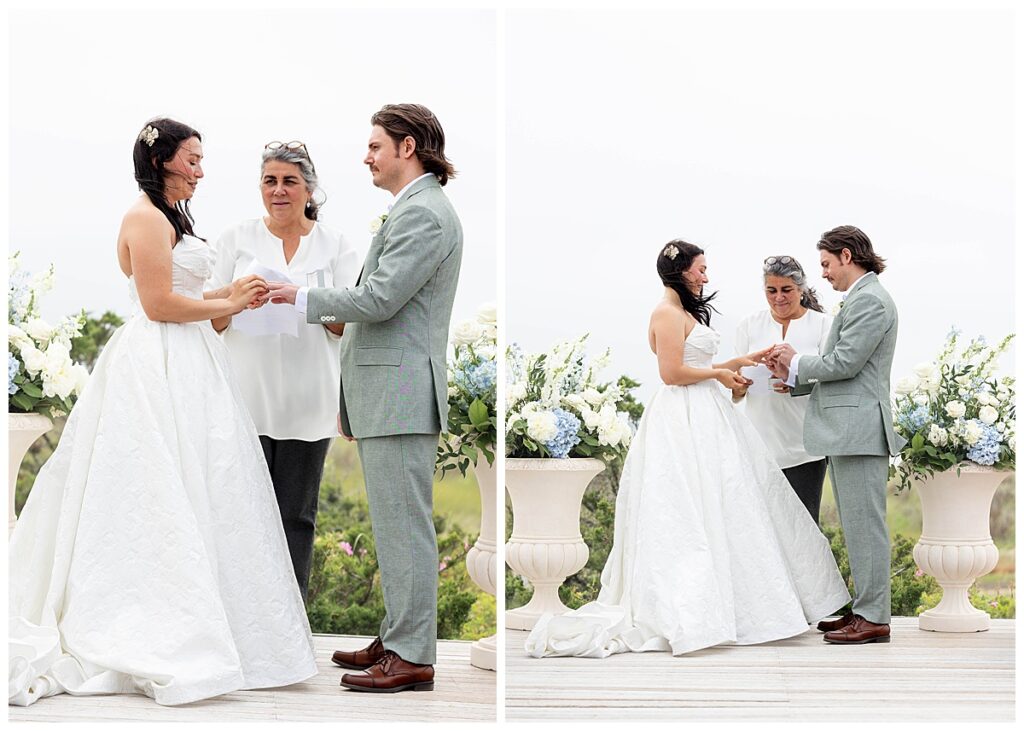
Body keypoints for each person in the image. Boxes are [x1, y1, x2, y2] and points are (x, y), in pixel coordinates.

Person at [8, 118, 317, 707]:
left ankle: (229, 629)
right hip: (155, 366)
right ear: (164, 161)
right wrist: (228, 299)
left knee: (210, 484)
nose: (201, 170)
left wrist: (235, 294)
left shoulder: (176, 218)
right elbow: (156, 304)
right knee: (156, 487)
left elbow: (185, 294)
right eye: (193, 159)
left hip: (196, 363)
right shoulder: (144, 217)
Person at [524, 240, 850, 659]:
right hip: (682, 417)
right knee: (686, 506)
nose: (706, 277)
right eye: (701, 269)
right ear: (681, 272)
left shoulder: (681, 313)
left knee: (727, 503)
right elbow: (672, 372)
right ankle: (693, 608)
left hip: (707, 413)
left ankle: (737, 602)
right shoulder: (664, 313)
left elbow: (697, 366)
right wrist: (720, 372)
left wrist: (742, 362)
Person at [266, 103, 462, 693]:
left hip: (401, 389)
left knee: (405, 525)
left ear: (408, 148)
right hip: (388, 389)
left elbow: (377, 300)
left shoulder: (425, 215)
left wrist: (297, 297)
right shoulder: (412, 209)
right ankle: (399, 635)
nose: (366, 156)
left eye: (375, 145)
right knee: (395, 523)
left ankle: (412, 655)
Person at [211, 141, 358, 600]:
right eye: (270, 181)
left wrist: (301, 296)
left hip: (307, 401)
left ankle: (289, 625)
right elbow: (210, 319)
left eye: (290, 181)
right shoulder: (235, 239)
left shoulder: (335, 245)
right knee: (240, 517)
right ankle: (241, 621)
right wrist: (236, 295)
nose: (279, 190)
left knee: (296, 517)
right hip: (245, 399)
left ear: (308, 188)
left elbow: (346, 325)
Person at [767, 225, 904, 645]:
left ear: (847, 256)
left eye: (826, 264)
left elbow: (843, 362)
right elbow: (843, 368)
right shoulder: (859, 299)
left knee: (866, 526)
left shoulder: (871, 301)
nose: (823, 274)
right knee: (856, 525)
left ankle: (874, 616)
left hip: (859, 429)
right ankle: (865, 610)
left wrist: (796, 361)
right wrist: (795, 380)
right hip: (849, 429)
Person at [732, 255, 832, 523]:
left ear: (801, 289)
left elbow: (833, 380)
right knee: (762, 530)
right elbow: (734, 392)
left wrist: (795, 378)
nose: (778, 298)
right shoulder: (748, 325)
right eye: (771, 290)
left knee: (805, 528)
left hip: (805, 448)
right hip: (759, 446)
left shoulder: (824, 325)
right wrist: (740, 385)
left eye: (786, 290)